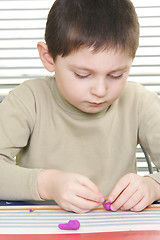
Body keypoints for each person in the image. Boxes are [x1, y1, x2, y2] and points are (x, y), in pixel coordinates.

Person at [0, 0, 160, 214]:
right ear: (48, 59)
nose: (101, 91)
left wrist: (153, 186)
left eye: (116, 75)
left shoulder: (139, 102)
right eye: (83, 75)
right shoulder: (29, 100)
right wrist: (48, 184)